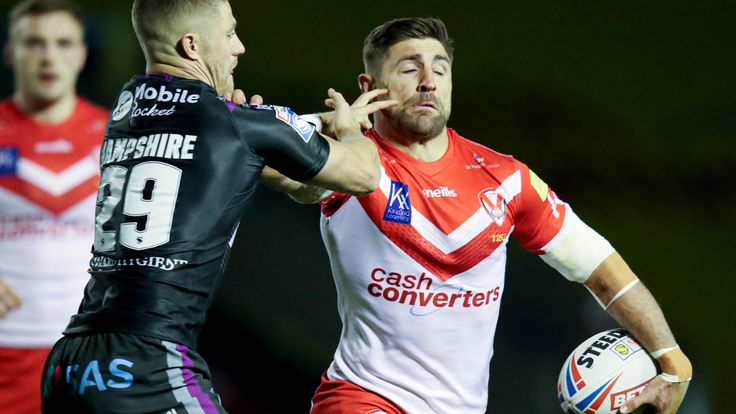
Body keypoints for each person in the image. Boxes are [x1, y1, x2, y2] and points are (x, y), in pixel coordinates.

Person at [270, 17, 692, 414]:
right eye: (409, 69)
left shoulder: (506, 178)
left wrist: (672, 359)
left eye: (440, 69)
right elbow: (272, 167)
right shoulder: (349, 163)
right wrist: (306, 123)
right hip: (363, 398)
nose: (428, 83)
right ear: (369, 85)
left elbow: (598, 267)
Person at [39, 0, 395, 413]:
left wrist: (292, 129)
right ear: (192, 46)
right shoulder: (231, 124)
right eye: (228, 34)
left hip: (70, 363)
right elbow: (364, 174)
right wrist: (351, 132)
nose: (239, 47)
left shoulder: (127, 108)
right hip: (144, 364)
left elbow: (243, 147)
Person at [0, 1, 108, 413]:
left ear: (81, 55)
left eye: (63, 44)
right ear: (10, 51)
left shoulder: (120, 135)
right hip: (7, 355)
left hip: (94, 353)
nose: (49, 57)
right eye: (34, 43)